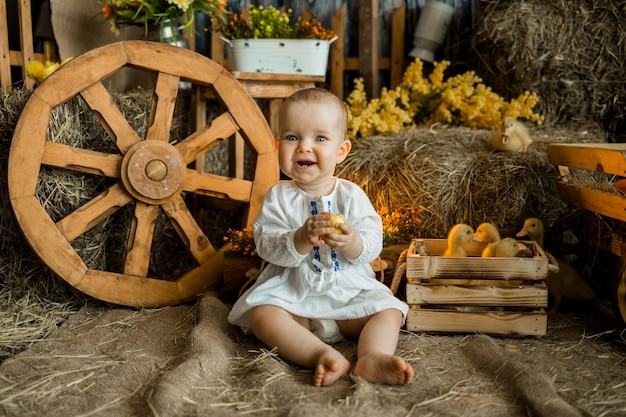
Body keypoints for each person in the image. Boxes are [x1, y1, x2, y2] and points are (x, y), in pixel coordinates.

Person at [228, 88, 413, 387]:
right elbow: (267, 244)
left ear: (341, 151)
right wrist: (300, 238)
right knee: (263, 315)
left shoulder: (351, 195)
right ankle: (321, 354)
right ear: (278, 146)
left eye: (320, 138)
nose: (304, 147)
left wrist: (352, 242)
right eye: (292, 138)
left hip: (350, 298)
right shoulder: (278, 196)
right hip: (294, 298)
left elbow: (371, 241)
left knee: (389, 310)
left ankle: (371, 357)